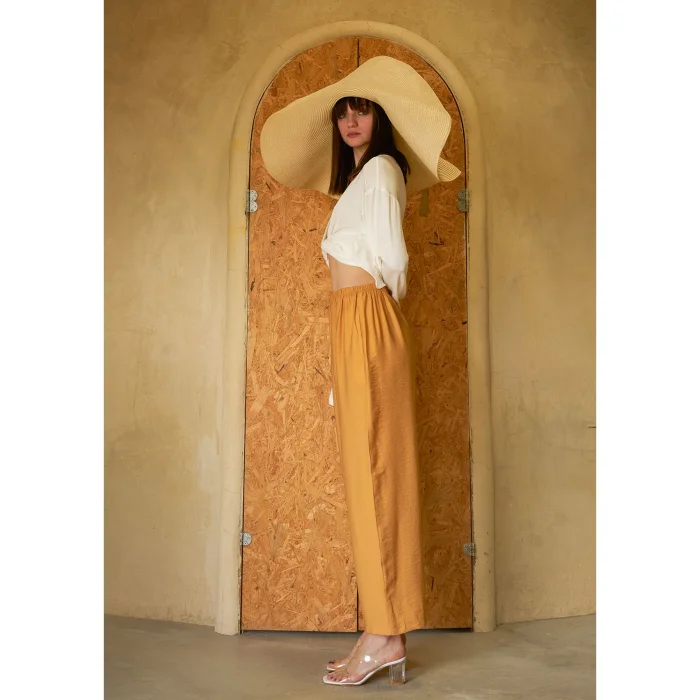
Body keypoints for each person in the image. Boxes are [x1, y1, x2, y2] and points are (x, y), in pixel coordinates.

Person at [259, 56, 461, 687]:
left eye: (362, 110)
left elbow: (393, 256)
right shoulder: (362, 180)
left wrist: (379, 309)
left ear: (381, 119)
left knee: (376, 473)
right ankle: (381, 628)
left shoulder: (380, 170)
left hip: (366, 317)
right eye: (343, 113)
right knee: (367, 471)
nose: (351, 121)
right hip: (355, 319)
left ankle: (385, 634)